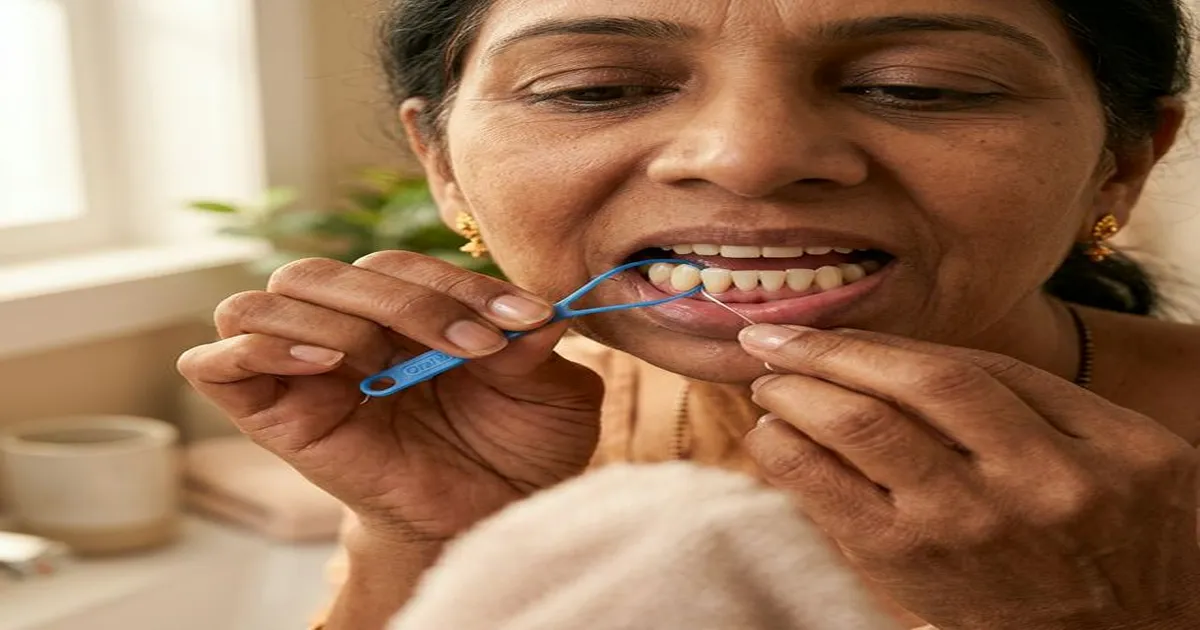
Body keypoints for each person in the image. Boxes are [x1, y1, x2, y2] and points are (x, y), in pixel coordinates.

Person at [177, 1, 1200, 628]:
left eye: (918, 88)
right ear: (442, 167)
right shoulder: (509, 434)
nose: (746, 156)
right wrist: (425, 543)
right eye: (595, 88)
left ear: (1124, 160)